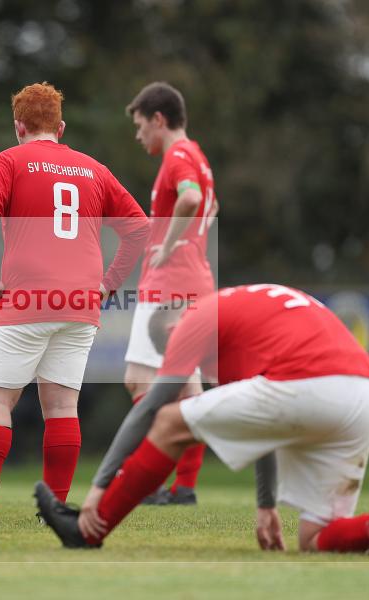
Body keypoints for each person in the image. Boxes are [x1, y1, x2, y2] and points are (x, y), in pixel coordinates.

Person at [36, 284, 369, 556]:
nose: (196, 369)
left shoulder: (193, 317)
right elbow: (260, 426)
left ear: (170, 330)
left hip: (307, 382)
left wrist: (99, 486)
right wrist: (265, 505)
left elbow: (150, 408)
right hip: (364, 393)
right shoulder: (244, 312)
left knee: (167, 421)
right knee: (314, 539)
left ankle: (87, 532)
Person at [0, 82, 150, 524]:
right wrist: (107, 285)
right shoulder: (93, 169)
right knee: (62, 406)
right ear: (61, 127)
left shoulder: (8, 160)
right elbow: (140, 229)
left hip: (26, 298)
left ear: (18, 126)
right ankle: (55, 509)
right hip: (81, 303)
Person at [123, 82, 218, 505]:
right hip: (196, 280)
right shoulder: (198, 154)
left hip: (168, 284)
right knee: (188, 390)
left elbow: (192, 199)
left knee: (139, 380)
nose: (139, 135)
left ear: (158, 120)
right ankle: (184, 488)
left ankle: (148, 480)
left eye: (141, 125)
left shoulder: (177, 155)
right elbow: (210, 208)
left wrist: (166, 244)